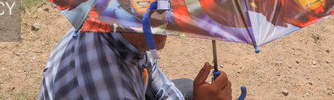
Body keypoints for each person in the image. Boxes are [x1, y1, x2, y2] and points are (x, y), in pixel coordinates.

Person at [38, 28, 232, 100]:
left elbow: (160, 87)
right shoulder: (112, 88)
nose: (170, 23)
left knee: (186, 89)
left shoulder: (117, 27)